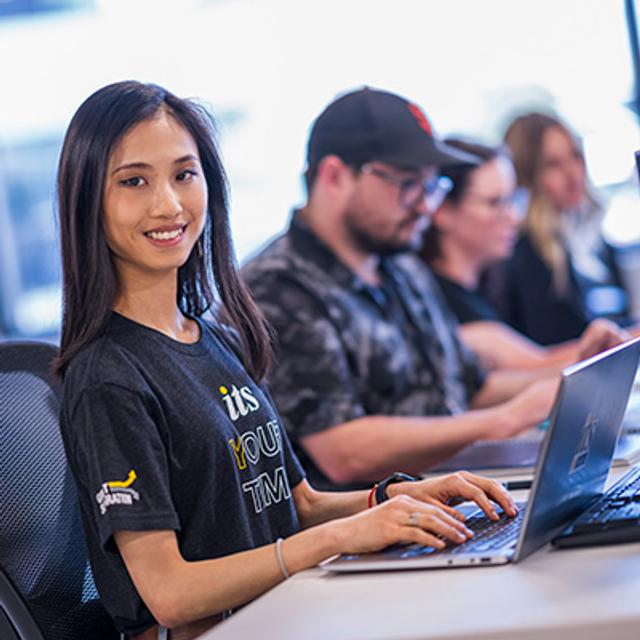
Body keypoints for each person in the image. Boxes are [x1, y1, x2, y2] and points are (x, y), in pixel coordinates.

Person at [55, 81, 517, 640]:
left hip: (291, 611)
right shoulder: (108, 375)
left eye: (184, 174)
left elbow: (295, 503)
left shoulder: (216, 337)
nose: (169, 204)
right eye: (134, 181)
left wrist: (393, 498)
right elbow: (170, 595)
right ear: (88, 201)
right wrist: (336, 539)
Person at [242, 87, 559, 493]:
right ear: (335, 176)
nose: (425, 206)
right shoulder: (275, 287)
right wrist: (502, 420)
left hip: (447, 491)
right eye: (407, 184)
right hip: (368, 525)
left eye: (431, 186)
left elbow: (470, 388)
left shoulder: (401, 264)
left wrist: (572, 375)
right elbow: (342, 451)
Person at [421, 138, 625, 371]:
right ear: (442, 211)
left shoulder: (487, 288)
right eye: (494, 203)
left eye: (513, 199)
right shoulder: (442, 302)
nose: (514, 216)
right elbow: (536, 365)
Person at [496, 111, 633, 345]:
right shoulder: (528, 254)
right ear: (528, 175)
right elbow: (558, 345)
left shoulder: (590, 237)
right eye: (553, 165)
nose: (573, 174)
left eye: (575, 156)